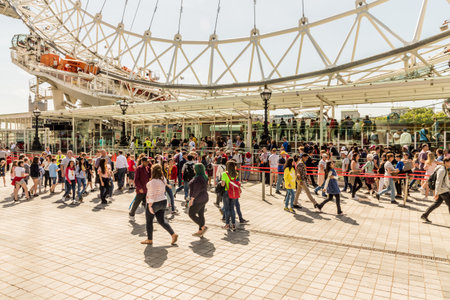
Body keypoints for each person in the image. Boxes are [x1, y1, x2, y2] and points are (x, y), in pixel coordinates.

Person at [140, 164, 178, 245]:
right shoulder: (163, 179)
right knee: (161, 221)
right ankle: (173, 234)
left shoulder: (151, 182)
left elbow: (151, 194)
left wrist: (150, 206)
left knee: (149, 221)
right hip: (163, 201)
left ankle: (149, 239)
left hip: (154, 203)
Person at [421, 157, 450, 223]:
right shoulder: (442, 170)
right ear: (446, 162)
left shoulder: (442, 168)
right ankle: (424, 215)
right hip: (443, 190)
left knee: (436, 204)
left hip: (442, 190)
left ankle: (424, 215)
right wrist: (436, 193)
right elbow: (438, 181)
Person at [188, 163, 209, 237]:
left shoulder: (198, 178)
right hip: (204, 198)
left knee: (191, 214)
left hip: (198, 199)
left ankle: (203, 227)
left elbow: (196, 190)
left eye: (194, 168)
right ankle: (200, 231)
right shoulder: (204, 176)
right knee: (200, 214)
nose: (193, 169)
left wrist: (191, 199)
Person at [221, 160, 241, 231]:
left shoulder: (224, 174)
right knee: (232, 208)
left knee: (226, 209)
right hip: (233, 193)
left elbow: (223, 184)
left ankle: (227, 224)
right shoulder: (236, 174)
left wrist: (221, 182)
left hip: (226, 192)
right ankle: (233, 225)